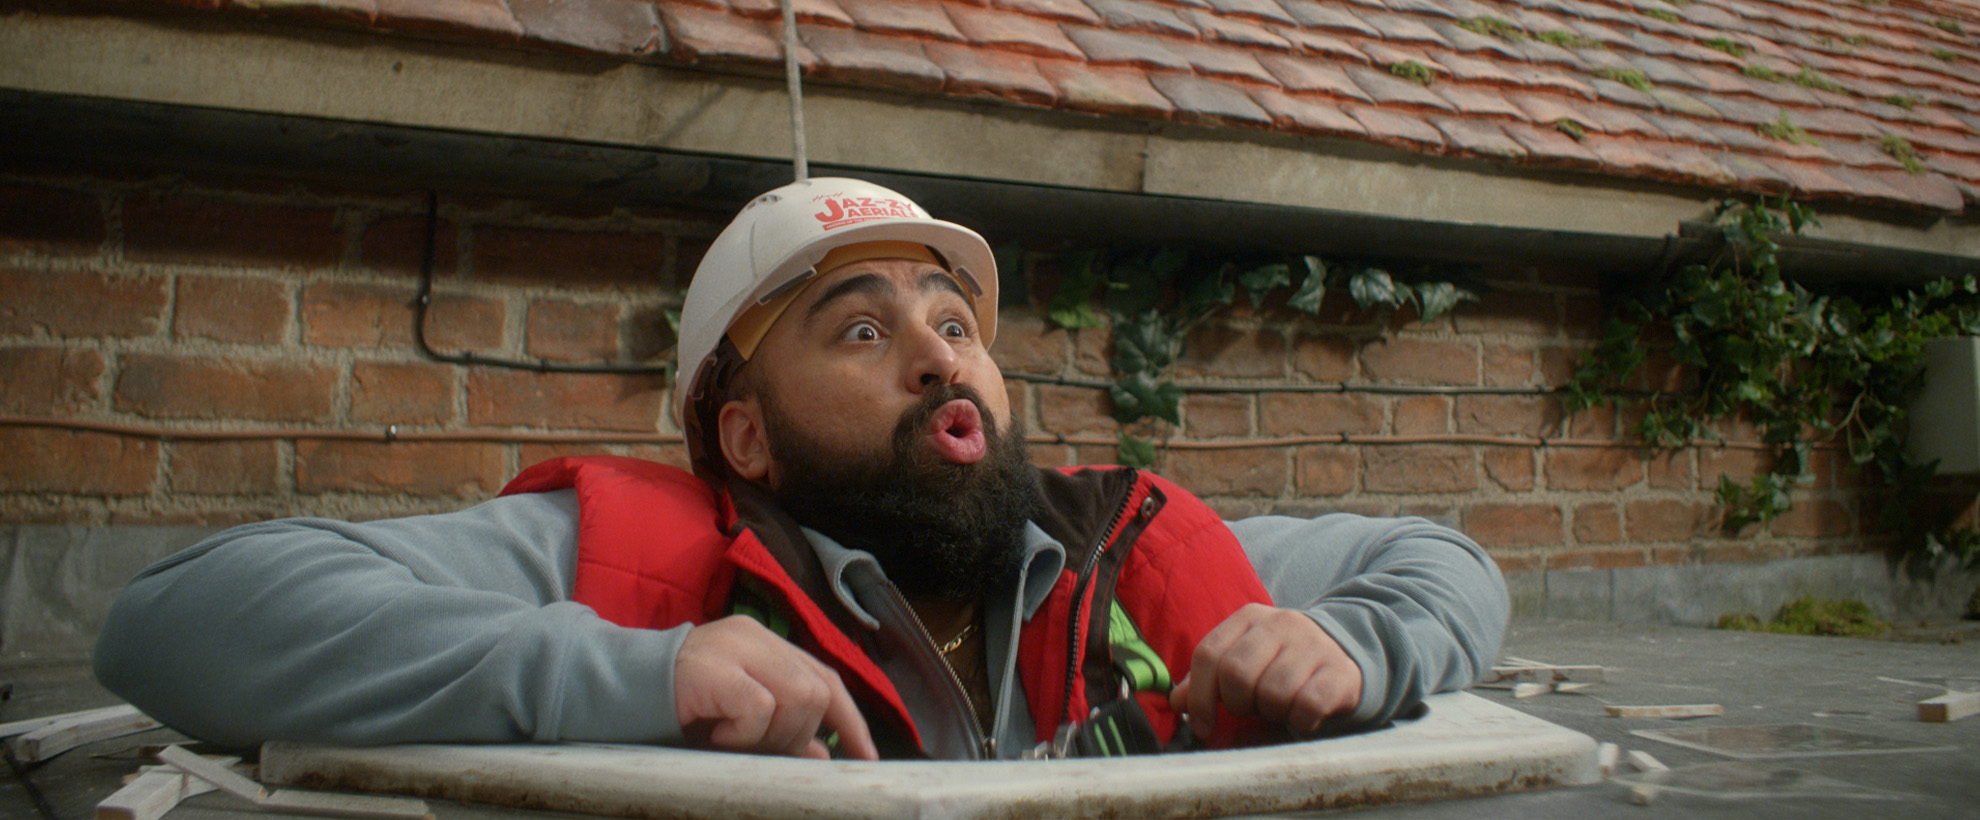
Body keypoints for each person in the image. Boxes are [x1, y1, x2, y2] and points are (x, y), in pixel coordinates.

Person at [94, 177, 1508, 762]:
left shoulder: (1104, 532)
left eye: (957, 325)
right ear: (746, 435)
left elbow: (1450, 565)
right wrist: (631, 679)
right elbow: (175, 617)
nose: (941, 357)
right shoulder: (631, 558)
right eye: (862, 328)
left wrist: (1351, 645)